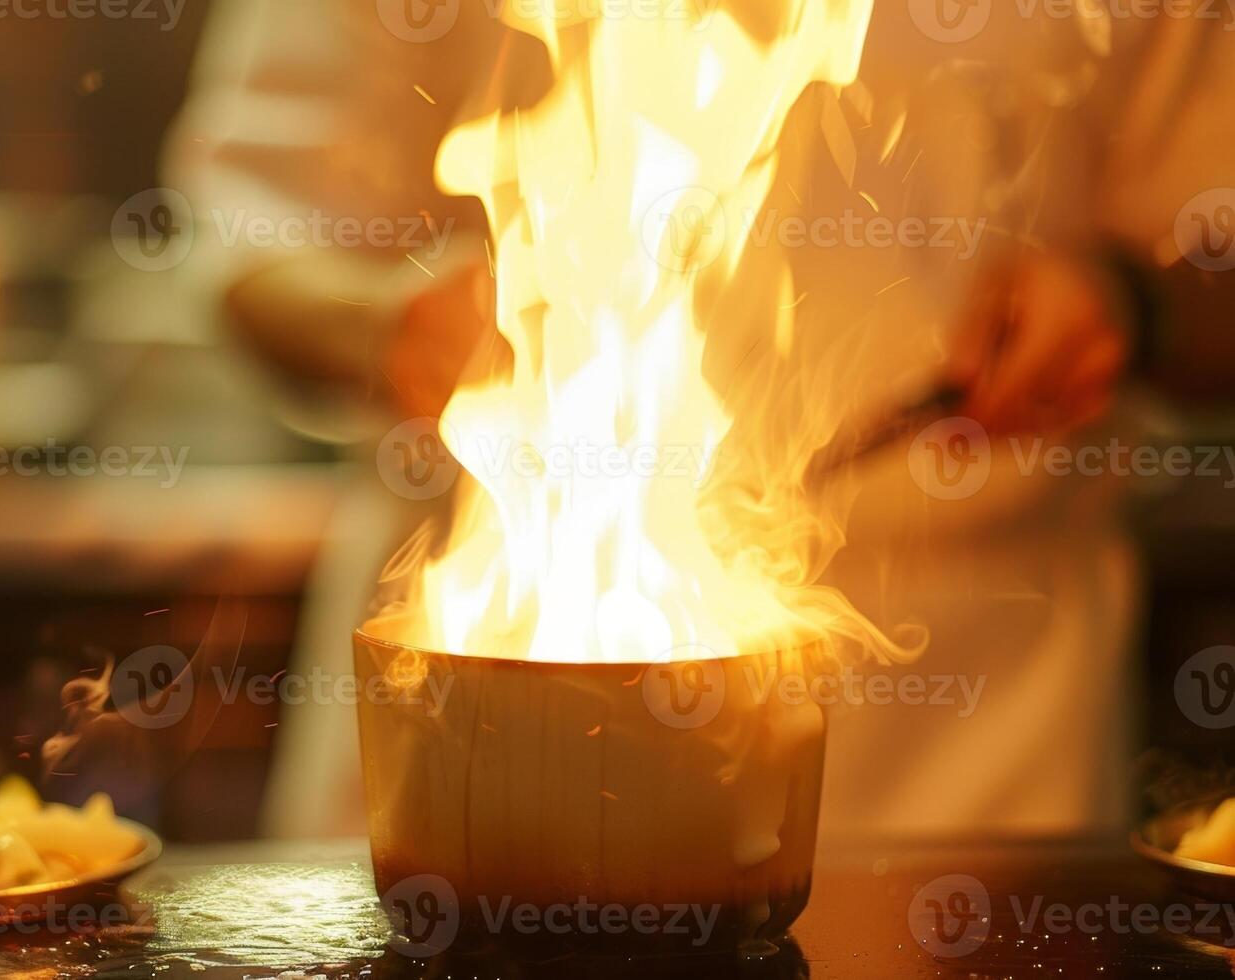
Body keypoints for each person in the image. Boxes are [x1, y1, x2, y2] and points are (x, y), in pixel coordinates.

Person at [164, 0, 1235, 842]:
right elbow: (254, 228)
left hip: (967, 718)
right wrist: (386, 326)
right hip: (486, 653)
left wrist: (1130, 301)